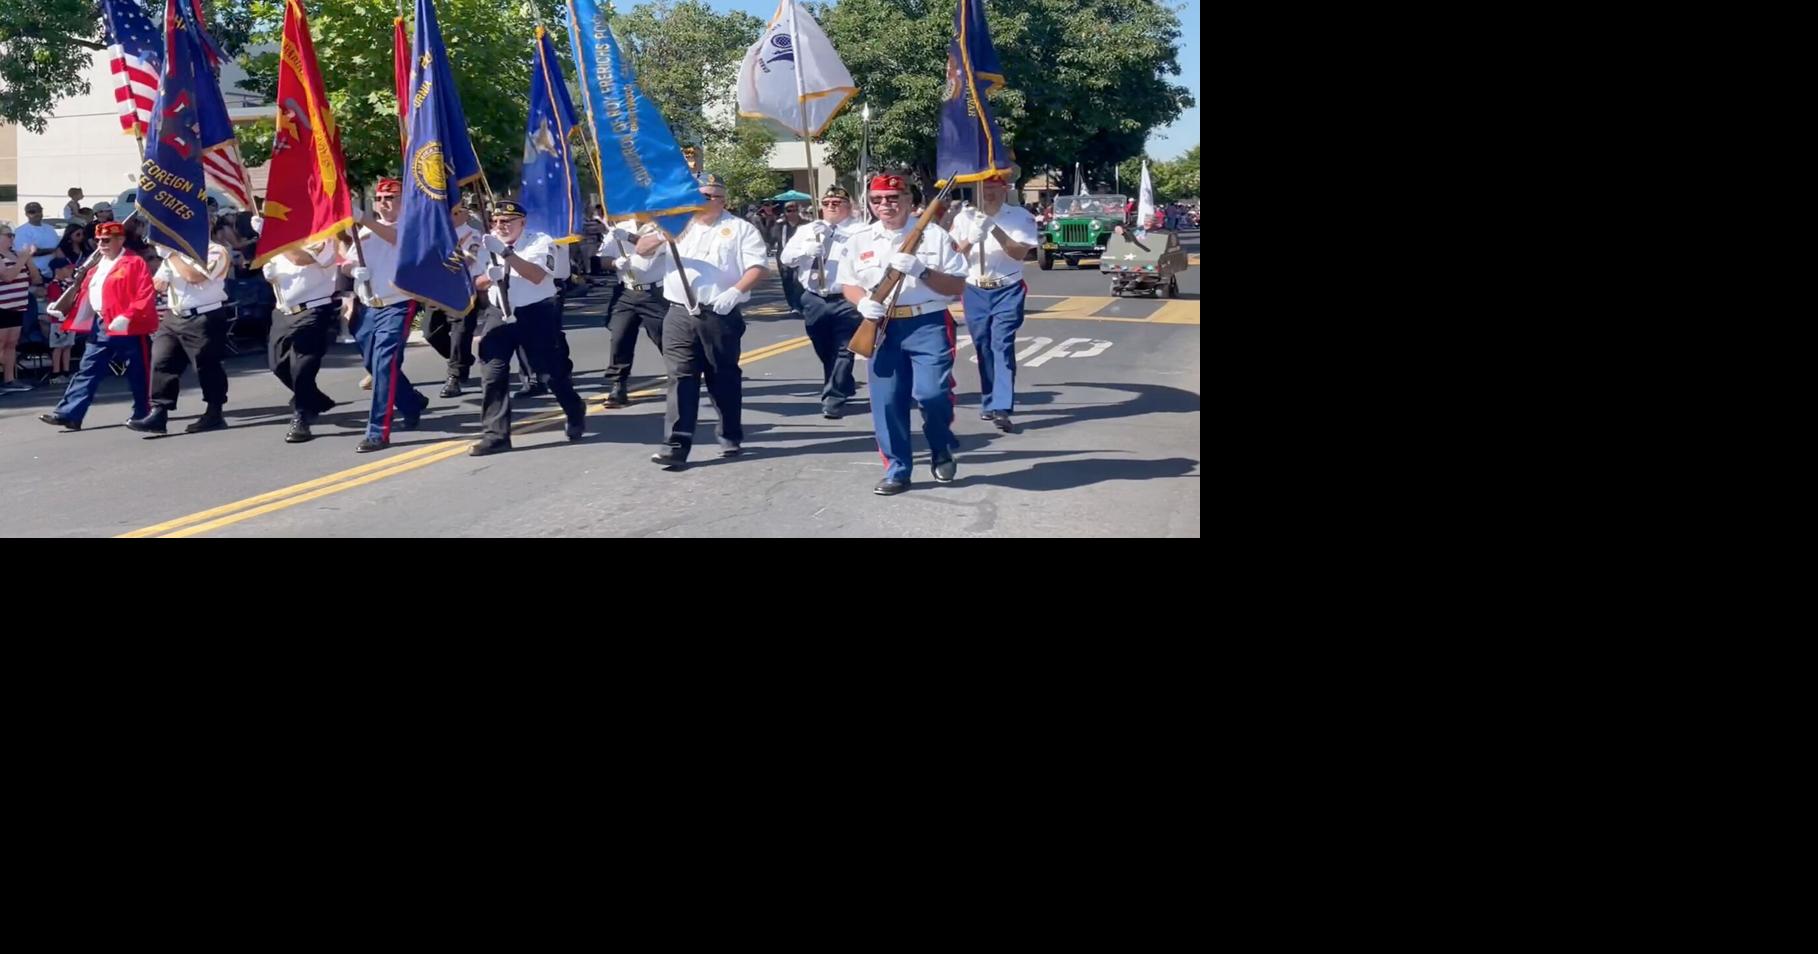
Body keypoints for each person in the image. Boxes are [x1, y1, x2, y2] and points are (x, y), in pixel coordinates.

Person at [840, 173, 967, 495]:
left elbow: (957, 286)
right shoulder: (859, 239)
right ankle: (898, 469)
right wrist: (864, 302)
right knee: (887, 403)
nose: (886, 205)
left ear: (910, 201)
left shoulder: (935, 236)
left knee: (932, 394)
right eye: (877, 199)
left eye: (894, 198)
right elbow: (848, 282)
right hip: (882, 326)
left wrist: (921, 271)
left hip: (927, 323)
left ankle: (940, 445)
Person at [633, 172, 768, 468]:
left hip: (719, 312)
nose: (701, 201)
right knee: (680, 376)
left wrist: (735, 292)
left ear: (723, 200)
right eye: (697, 195)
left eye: (708, 196)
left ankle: (730, 432)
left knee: (722, 377)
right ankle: (676, 444)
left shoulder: (739, 228)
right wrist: (661, 235)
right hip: (679, 312)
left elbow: (758, 266)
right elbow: (641, 250)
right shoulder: (676, 223)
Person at [468, 199, 586, 456]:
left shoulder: (539, 241)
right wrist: (490, 277)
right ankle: (495, 435)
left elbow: (536, 275)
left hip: (535, 312)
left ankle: (574, 409)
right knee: (492, 372)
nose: (501, 226)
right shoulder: (486, 244)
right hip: (499, 312)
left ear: (523, 222)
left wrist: (506, 254)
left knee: (550, 372)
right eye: (496, 221)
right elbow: (476, 281)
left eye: (508, 221)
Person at [38, 221, 159, 431]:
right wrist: (62, 307)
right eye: (99, 240)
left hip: (128, 326)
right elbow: (85, 293)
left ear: (120, 240)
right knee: (87, 370)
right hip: (102, 324)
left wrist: (128, 316)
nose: (101, 244)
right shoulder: (95, 264)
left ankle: (145, 413)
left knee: (139, 372)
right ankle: (69, 414)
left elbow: (145, 294)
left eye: (106, 240)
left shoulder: (133, 262)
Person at [950, 166, 1039, 433]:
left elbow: (1019, 253)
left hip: (1007, 288)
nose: (989, 194)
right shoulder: (965, 217)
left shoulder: (1020, 217)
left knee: (1001, 343)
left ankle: (1002, 406)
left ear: (1004, 190)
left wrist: (995, 230)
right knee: (983, 346)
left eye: (994, 188)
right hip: (974, 289)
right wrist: (970, 237)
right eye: (984, 189)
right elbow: (954, 255)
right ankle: (989, 401)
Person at [344, 177, 429, 453]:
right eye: (379, 198)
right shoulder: (364, 234)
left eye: (390, 198)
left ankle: (378, 431)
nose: (383, 203)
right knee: (374, 364)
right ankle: (410, 402)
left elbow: (395, 240)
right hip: (367, 306)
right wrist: (352, 271)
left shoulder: (411, 226)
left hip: (397, 304)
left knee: (383, 365)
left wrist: (363, 219)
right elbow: (346, 264)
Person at [130, 235, 232, 434]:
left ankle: (214, 412)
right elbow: (158, 283)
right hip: (174, 316)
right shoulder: (173, 255)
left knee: (206, 365)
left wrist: (173, 254)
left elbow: (195, 276)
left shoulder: (216, 251)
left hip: (204, 315)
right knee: (161, 361)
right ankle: (159, 412)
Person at [778, 185, 863, 417]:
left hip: (847, 298)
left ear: (848, 206)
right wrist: (805, 250)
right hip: (814, 297)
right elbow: (786, 258)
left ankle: (833, 398)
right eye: (827, 203)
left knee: (845, 349)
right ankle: (843, 382)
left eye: (837, 203)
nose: (831, 207)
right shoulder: (808, 230)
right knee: (824, 348)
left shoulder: (861, 231)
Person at [262, 237, 341, 443]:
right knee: (277, 365)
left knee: (303, 366)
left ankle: (302, 417)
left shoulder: (321, 237)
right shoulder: (281, 244)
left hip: (313, 308)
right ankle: (315, 400)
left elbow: (300, 259)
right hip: (283, 311)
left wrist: (275, 237)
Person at [597, 217, 667, 409]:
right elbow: (602, 260)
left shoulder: (663, 227)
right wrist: (615, 264)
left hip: (655, 292)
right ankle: (618, 385)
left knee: (665, 337)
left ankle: (684, 372)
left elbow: (645, 249)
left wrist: (628, 237)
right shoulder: (617, 228)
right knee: (619, 338)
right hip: (626, 291)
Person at [0, 225, 34, 393]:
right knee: (1, 343)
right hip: (2, 305)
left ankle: (9, 379)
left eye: (13, 235)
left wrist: (28, 259)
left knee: (11, 344)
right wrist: (23, 259)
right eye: (8, 235)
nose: (12, 238)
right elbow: (7, 276)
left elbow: (34, 277)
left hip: (18, 304)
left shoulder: (15, 255)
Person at [769, 202, 806, 316]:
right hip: (783, 258)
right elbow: (771, 238)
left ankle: (798, 305)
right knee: (787, 281)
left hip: (801, 257)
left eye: (795, 210)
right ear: (785, 212)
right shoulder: (780, 225)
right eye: (789, 210)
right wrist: (770, 220)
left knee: (798, 281)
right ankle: (792, 305)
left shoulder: (805, 224)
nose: (792, 213)